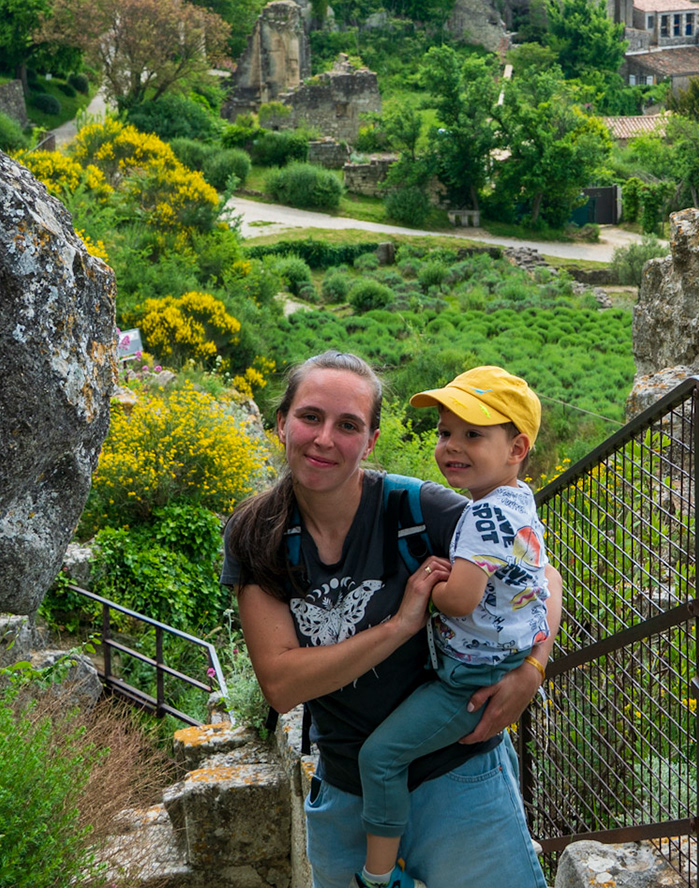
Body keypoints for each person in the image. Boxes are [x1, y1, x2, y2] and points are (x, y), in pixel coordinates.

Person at [221, 352, 558, 888]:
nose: (324, 439)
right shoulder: (259, 532)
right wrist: (399, 625)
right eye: (310, 417)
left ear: (371, 440)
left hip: (458, 782)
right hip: (349, 794)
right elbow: (281, 685)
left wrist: (533, 669)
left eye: (348, 425)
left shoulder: (418, 510)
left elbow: (542, 575)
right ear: (281, 423)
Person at [355, 366, 551, 888]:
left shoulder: (482, 518)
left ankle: (379, 878)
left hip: (467, 680)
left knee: (380, 758)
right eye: (445, 433)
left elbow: (461, 601)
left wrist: (427, 587)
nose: (452, 446)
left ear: (517, 448)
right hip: (506, 655)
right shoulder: (517, 500)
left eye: (473, 435)